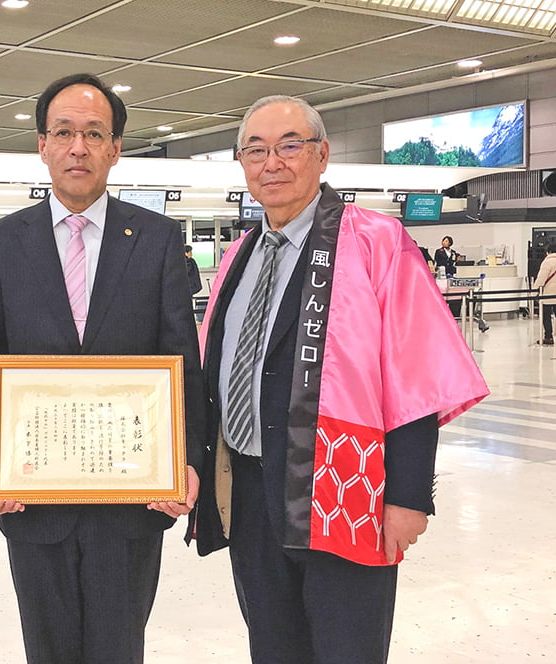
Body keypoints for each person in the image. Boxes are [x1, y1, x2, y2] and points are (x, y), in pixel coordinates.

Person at [187, 95, 489, 664]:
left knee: (346, 647)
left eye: (289, 146)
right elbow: (216, 369)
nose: (271, 162)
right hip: (249, 491)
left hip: (345, 490)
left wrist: (406, 495)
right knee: (272, 645)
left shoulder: (377, 242)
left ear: (322, 155)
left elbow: (417, 372)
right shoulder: (240, 256)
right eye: (255, 149)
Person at [0, 73, 206, 664]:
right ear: (41, 144)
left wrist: (188, 460)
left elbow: (182, 365)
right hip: (33, 494)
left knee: (121, 649)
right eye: (64, 132)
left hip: (133, 500)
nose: (78, 147)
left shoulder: (158, 239)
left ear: (116, 149)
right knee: (48, 650)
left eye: (94, 133)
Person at [534, 241, 556, 345]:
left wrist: (533, 292)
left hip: (548, 293)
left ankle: (548, 337)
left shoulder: (547, 262)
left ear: (548, 252)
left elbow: (541, 279)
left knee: (546, 315)